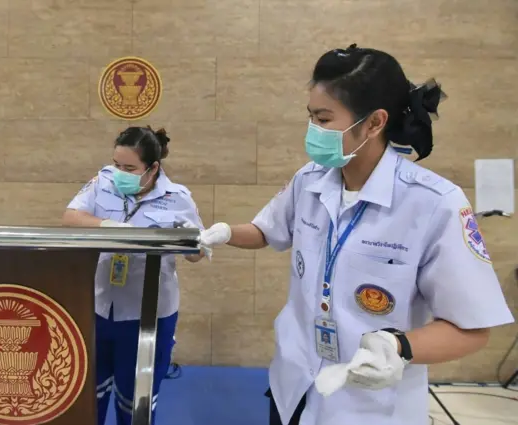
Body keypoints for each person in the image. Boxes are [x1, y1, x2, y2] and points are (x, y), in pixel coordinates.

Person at [199, 44, 514, 425]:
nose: (313, 130)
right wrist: (222, 232)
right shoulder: (310, 181)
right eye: (310, 117)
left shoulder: (434, 204)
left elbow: (471, 327)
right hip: (294, 386)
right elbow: (267, 230)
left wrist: (397, 345)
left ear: (374, 123)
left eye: (324, 119)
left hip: (368, 406)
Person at [63, 126, 206, 425]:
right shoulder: (102, 181)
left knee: (135, 402)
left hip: (148, 316)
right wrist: (109, 227)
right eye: (117, 164)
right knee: (89, 398)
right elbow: (71, 216)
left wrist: (187, 241)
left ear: (153, 168)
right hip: (99, 307)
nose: (120, 173)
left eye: (129, 168)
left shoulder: (178, 198)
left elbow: (196, 254)